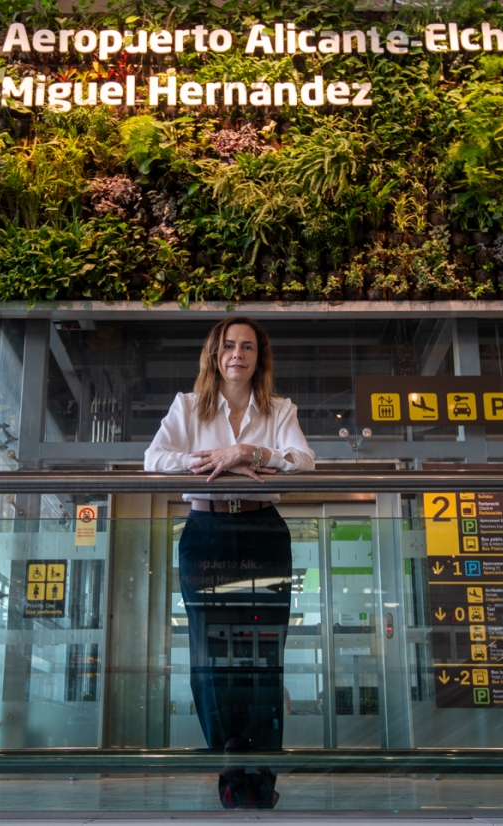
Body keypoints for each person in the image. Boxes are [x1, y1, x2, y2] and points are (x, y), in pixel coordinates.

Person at [145, 316, 315, 810]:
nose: (236, 354)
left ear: (259, 357)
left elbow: (304, 460)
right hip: (207, 533)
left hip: (263, 532)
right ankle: (229, 761)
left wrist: (251, 451)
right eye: (228, 347)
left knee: (264, 652)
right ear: (214, 356)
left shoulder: (279, 409)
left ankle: (262, 767)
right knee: (210, 654)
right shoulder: (187, 406)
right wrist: (222, 459)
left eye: (247, 347)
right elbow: (154, 460)